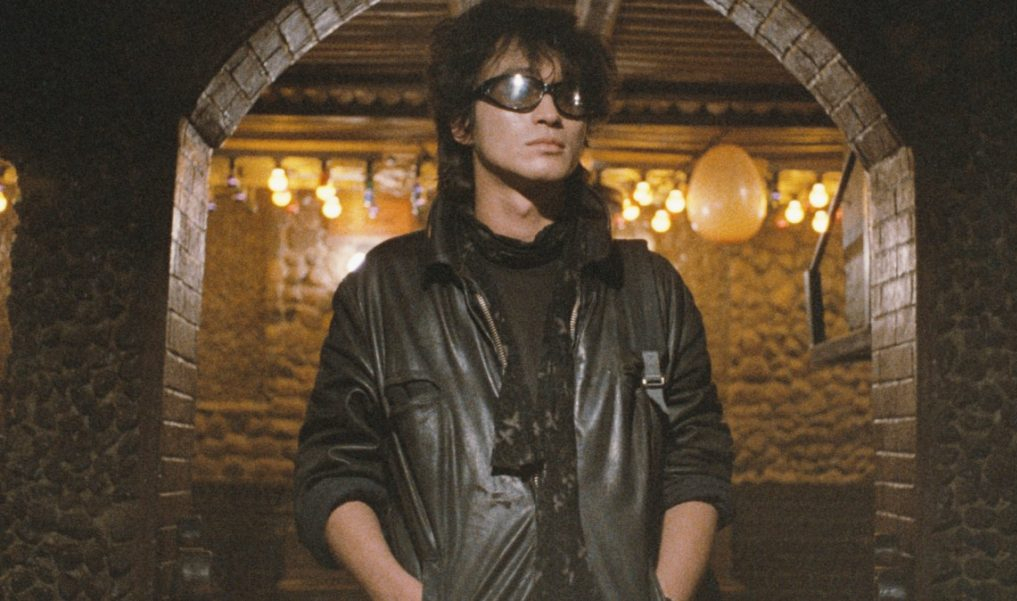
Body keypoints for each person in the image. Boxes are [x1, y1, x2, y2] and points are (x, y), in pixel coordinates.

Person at [293, 2, 733, 600]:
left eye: (569, 96)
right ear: (462, 122)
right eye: (519, 90)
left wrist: (664, 595)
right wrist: (404, 595)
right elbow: (334, 468)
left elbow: (698, 460)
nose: (550, 113)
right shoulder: (387, 290)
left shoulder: (647, 287)